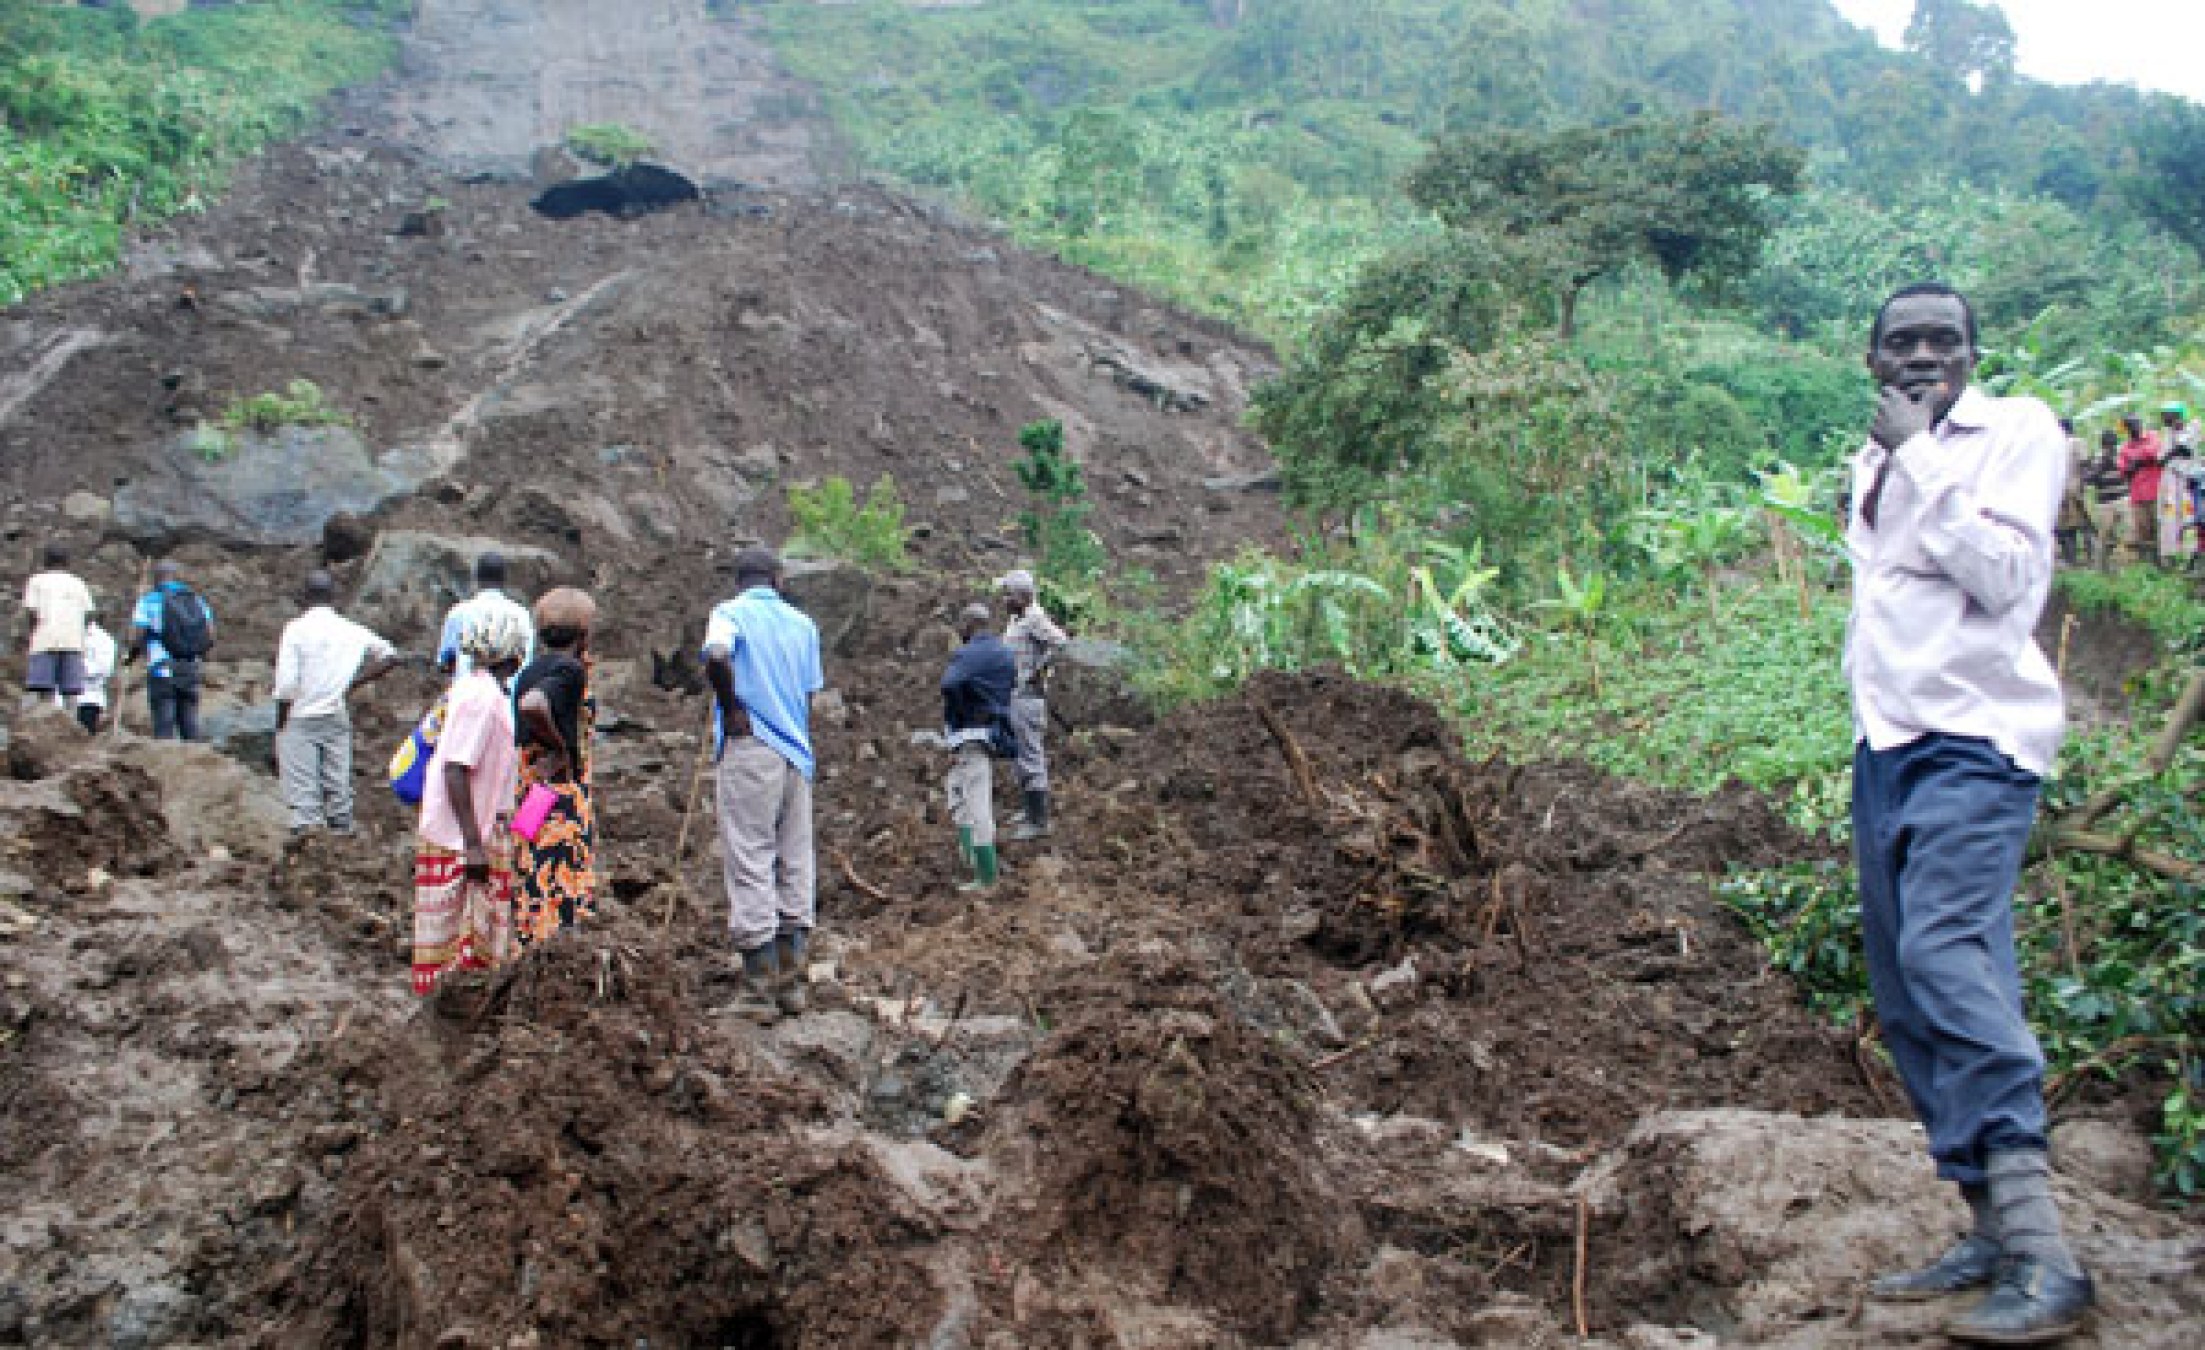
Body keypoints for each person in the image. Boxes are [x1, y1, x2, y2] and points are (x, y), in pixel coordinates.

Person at [1848, 282, 2091, 1345]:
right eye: (1902, 342)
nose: (1922, 356)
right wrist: (1902, 457)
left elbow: (2006, 579)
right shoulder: (1878, 457)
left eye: (1943, 341)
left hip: (1977, 743)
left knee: (1950, 957)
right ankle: (1989, 1227)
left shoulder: (2015, 434)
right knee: (1908, 986)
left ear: (1973, 354)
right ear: (1873, 359)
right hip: (1890, 748)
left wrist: (1923, 456)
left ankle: (2047, 1256)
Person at [702, 547, 824, 1022]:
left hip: (751, 745)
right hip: (797, 752)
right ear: (778, 578)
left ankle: (758, 988)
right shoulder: (803, 625)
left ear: (740, 580)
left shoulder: (728, 614)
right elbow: (810, 693)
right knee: (795, 857)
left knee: (750, 854)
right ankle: (793, 982)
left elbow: (716, 654)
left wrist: (731, 707)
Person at [410, 605, 528, 995]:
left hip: (462, 829)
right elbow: (456, 768)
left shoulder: (470, 690)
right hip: (463, 836)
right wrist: (474, 845)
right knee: (462, 940)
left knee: (456, 937)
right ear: (516, 656)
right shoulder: (484, 700)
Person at [271, 570, 401, 835]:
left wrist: (281, 722)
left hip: (300, 716)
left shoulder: (296, 630)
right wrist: (352, 684)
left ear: (305, 596)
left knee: (303, 796)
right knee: (338, 787)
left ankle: (308, 845)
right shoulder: (350, 630)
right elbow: (390, 656)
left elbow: (286, 686)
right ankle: (342, 839)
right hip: (335, 714)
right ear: (333, 596)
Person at [512, 587, 599, 945]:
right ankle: (557, 959)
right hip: (559, 796)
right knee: (562, 882)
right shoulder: (569, 670)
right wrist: (561, 748)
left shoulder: (530, 669)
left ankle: (531, 957)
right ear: (583, 633)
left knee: (532, 878)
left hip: (531, 791)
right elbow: (534, 705)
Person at [941, 602, 1017, 893]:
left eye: (961, 624)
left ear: (970, 624)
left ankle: (986, 878)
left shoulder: (968, 653)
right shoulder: (1004, 654)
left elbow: (949, 684)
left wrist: (961, 708)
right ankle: (971, 859)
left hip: (970, 734)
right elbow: (1009, 686)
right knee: (958, 794)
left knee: (977, 804)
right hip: (991, 732)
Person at [996, 569, 1067, 841]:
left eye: (1008, 594)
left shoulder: (1035, 618)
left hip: (1027, 698)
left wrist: (1042, 670)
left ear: (1024, 595)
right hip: (1016, 695)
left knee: (1030, 756)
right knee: (1020, 756)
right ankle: (1029, 810)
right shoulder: (1019, 618)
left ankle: (1038, 821)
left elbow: (1061, 643)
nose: (1004, 599)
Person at [128, 559, 214, 741]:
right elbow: (210, 634)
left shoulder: (149, 600)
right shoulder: (196, 599)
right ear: (177, 576)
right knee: (190, 719)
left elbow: (137, 634)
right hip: (191, 666)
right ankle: (195, 759)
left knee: (164, 718)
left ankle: (166, 762)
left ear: (156, 578)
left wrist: (132, 656)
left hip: (161, 666)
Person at [18, 544, 95, 716]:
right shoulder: (77, 582)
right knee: (71, 692)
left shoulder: (36, 581)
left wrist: (32, 634)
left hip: (44, 639)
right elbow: (89, 614)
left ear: (45, 560)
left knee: (39, 688)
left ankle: (36, 722)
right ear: (67, 561)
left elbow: (31, 612)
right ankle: (71, 726)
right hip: (72, 641)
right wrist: (79, 631)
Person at [436, 551, 533, 679]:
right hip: (509, 695)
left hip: (467, 694)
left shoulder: (459, 613)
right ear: (504, 579)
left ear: (476, 578)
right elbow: (526, 663)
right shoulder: (522, 615)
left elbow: (444, 663)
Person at [2115, 414, 2162, 565]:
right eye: (2131, 425)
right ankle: (2147, 565)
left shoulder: (2152, 436)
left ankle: (2162, 562)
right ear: (2128, 429)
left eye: (2137, 424)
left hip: (2156, 492)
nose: (2135, 427)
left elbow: (2154, 452)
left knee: (2159, 527)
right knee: (2142, 531)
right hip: (2138, 495)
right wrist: (2138, 463)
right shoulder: (2125, 448)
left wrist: (2136, 461)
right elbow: (2123, 470)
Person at [2160, 402, 2200, 563]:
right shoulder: (2167, 433)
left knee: (2188, 515)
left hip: (2186, 481)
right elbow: (2161, 460)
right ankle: (2171, 556)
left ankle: (2190, 556)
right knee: (2169, 517)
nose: (2163, 418)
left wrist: (2170, 454)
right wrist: (2171, 454)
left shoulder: (2193, 426)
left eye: (2165, 414)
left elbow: (2184, 449)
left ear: (2175, 415)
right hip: (2170, 481)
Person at [2085, 429, 2128, 569]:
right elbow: (2089, 479)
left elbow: (2128, 472)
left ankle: (2124, 566)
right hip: (2105, 503)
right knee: (2103, 537)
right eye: (2107, 445)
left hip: (2123, 499)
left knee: (2126, 534)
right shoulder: (2098, 458)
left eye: (2112, 445)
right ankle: (2101, 568)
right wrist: (2102, 465)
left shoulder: (2122, 454)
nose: (2110, 447)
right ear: (2103, 445)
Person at [2053, 418, 2091, 567]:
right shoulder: (2077, 442)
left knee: (2066, 527)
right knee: (2084, 524)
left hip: (2062, 491)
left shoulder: (2057, 445)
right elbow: (2085, 463)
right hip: (2075, 489)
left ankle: (2071, 559)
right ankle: (2089, 557)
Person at [75, 619, 116, 735]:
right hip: (60, 701)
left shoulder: (103, 640)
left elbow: (103, 668)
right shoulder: (62, 636)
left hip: (88, 700)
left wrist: (74, 666)